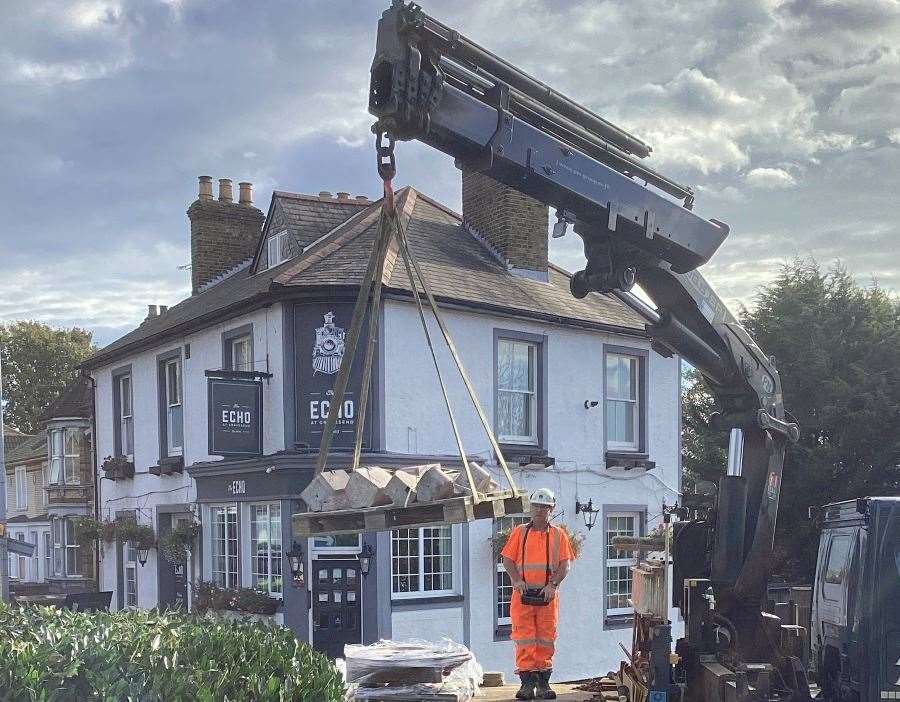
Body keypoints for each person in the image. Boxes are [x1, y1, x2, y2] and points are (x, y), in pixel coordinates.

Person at [500, 488, 573, 700]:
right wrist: (516, 580)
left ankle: (543, 684)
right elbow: (508, 560)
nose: (540, 510)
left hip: (547, 596)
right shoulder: (519, 532)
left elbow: (565, 565)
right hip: (522, 596)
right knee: (523, 638)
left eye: (544, 507)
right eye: (537, 506)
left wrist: (553, 585)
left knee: (546, 639)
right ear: (531, 508)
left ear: (552, 509)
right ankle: (526, 684)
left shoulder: (559, 535)